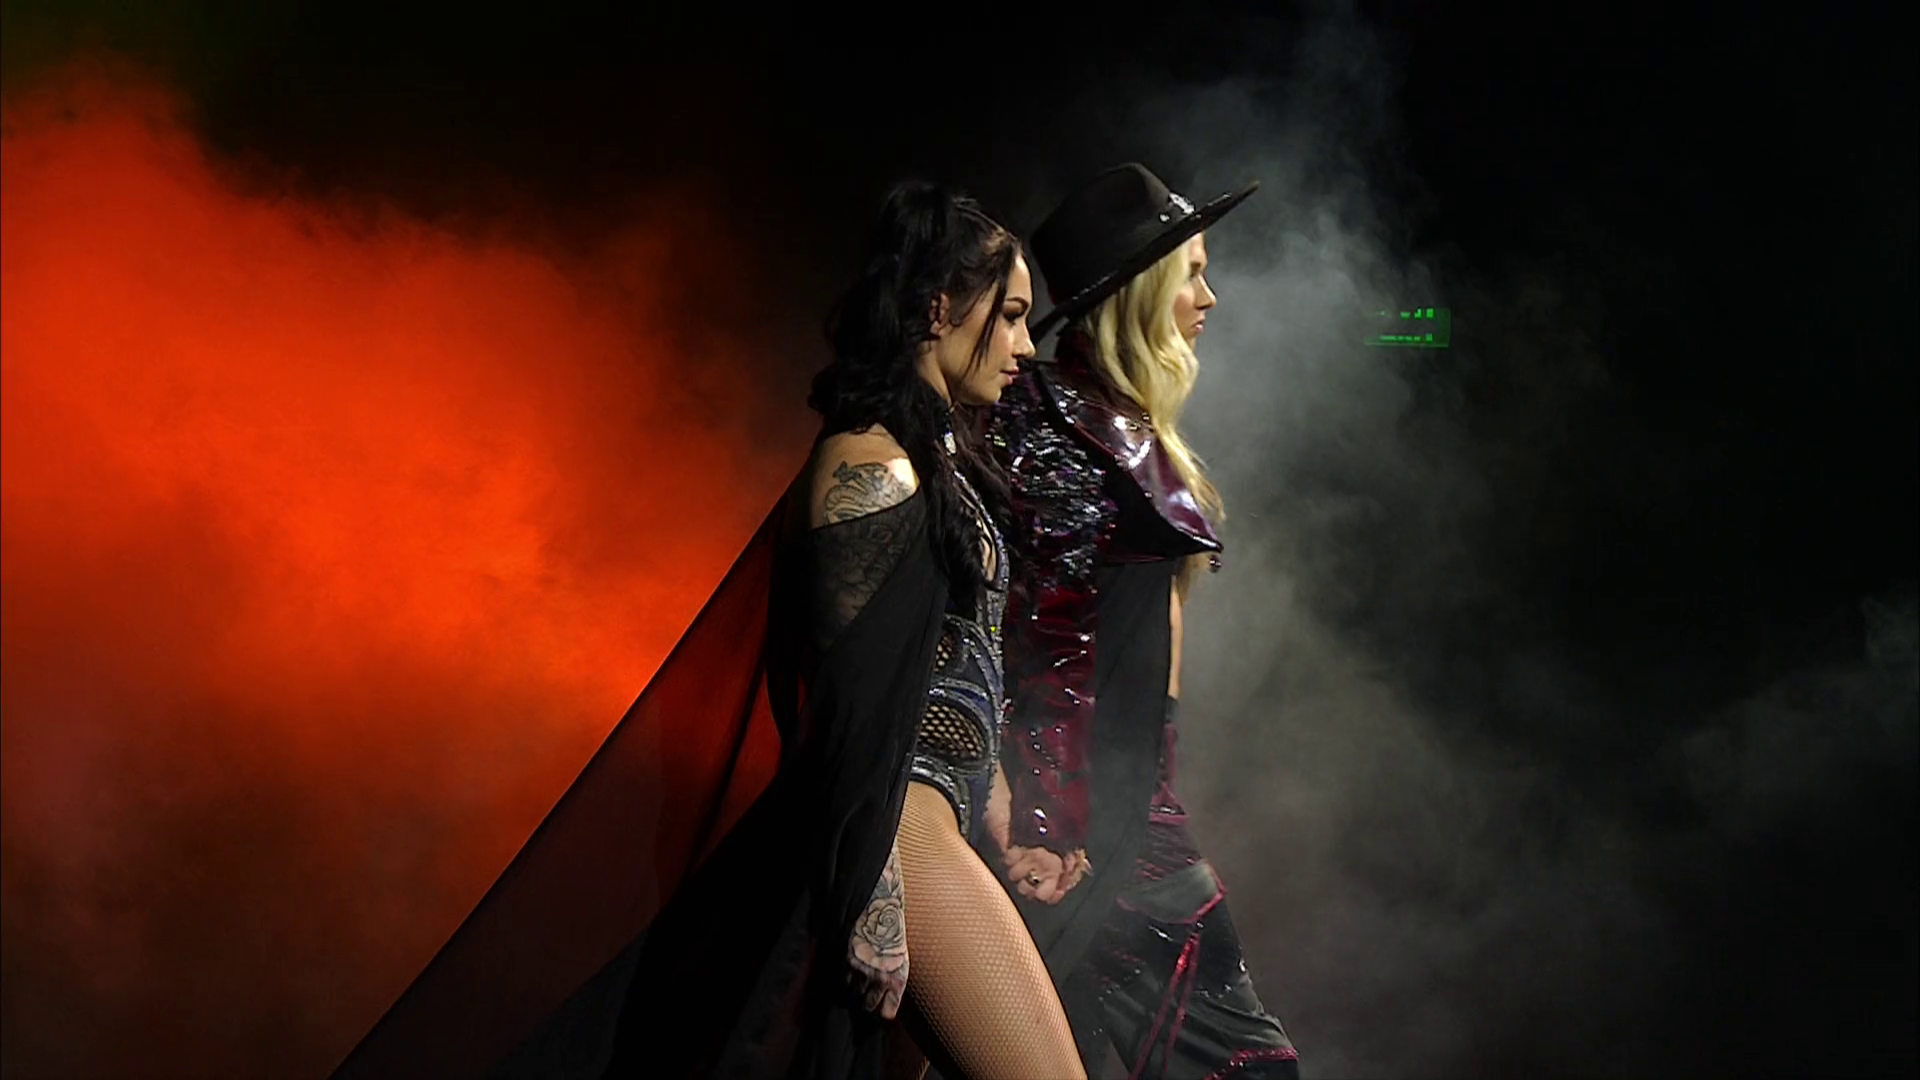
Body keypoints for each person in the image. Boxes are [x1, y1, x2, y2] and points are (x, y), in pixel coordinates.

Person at [327, 182, 1086, 1080]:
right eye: (1009, 317)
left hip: (932, 831)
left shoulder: (935, 460)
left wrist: (999, 812)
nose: (1026, 346)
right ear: (936, 310)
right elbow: (839, 714)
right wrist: (875, 894)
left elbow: (948, 669)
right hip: (898, 841)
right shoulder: (871, 464)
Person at [983, 163, 1301, 1079]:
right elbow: (1047, 634)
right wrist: (1046, 817)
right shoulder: (1053, 422)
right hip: (1090, 820)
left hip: (1124, 796)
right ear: (1141, 295)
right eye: (1191, 273)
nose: (1210, 297)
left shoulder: (1114, 422)